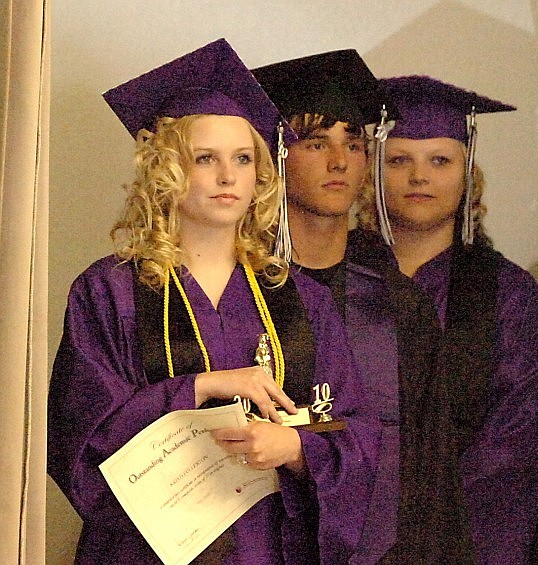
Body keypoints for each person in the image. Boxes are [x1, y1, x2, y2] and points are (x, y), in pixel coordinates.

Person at [47, 39, 378, 564]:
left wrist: (296, 450)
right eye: (206, 158)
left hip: (272, 549)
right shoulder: (109, 291)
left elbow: (358, 431)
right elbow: (80, 434)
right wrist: (201, 388)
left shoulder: (302, 299)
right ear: (167, 171)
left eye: (243, 158)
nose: (228, 176)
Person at [252, 50, 472, 563]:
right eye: (316, 143)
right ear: (277, 156)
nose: (339, 162)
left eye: (353, 143)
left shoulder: (400, 304)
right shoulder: (237, 294)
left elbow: (430, 467)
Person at [358, 75, 538, 564]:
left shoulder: (508, 295)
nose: (419, 177)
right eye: (399, 160)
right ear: (373, 172)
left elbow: (516, 437)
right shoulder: (339, 282)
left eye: (440, 161)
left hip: (469, 540)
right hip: (353, 537)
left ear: (468, 173)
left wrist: (419, 519)